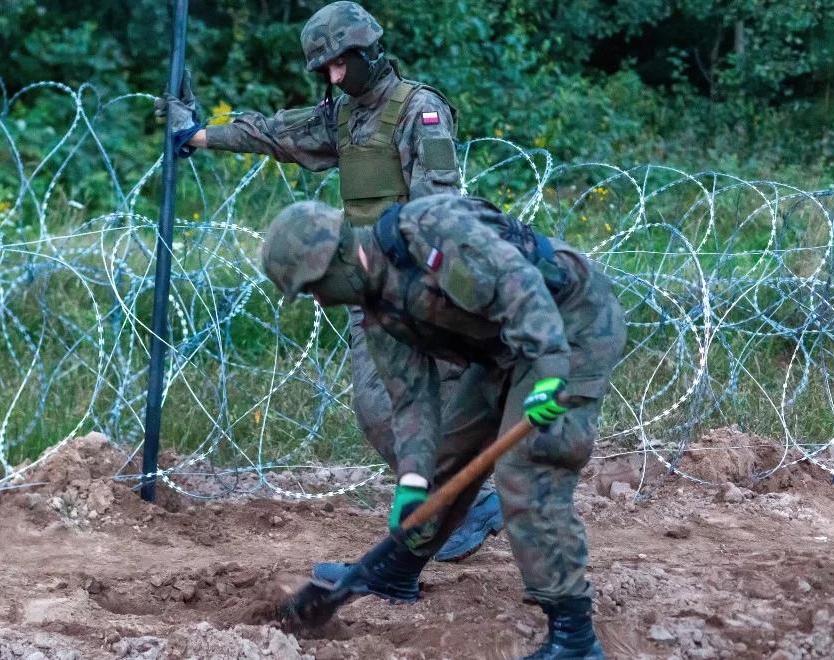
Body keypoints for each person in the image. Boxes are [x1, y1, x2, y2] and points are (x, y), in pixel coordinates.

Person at [155, 0, 505, 569]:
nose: (334, 78)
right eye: (326, 72)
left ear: (367, 52)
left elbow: (440, 209)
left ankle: (469, 507)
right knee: (378, 407)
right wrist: (198, 135)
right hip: (367, 288)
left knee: (435, 406)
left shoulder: (420, 110)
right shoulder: (342, 117)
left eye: (340, 66)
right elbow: (274, 133)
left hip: (422, 288)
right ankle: (468, 504)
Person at [260, 193, 626, 660]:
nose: (318, 299)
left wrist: (551, 372)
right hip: (505, 348)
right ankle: (398, 569)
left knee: (527, 468)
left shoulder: (430, 230)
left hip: (568, 328)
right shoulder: (380, 314)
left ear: (339, 258)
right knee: (448, 456)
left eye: (314, 286)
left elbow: (521, 286)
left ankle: (574, 635)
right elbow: (413, 401)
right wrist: (411, 486)